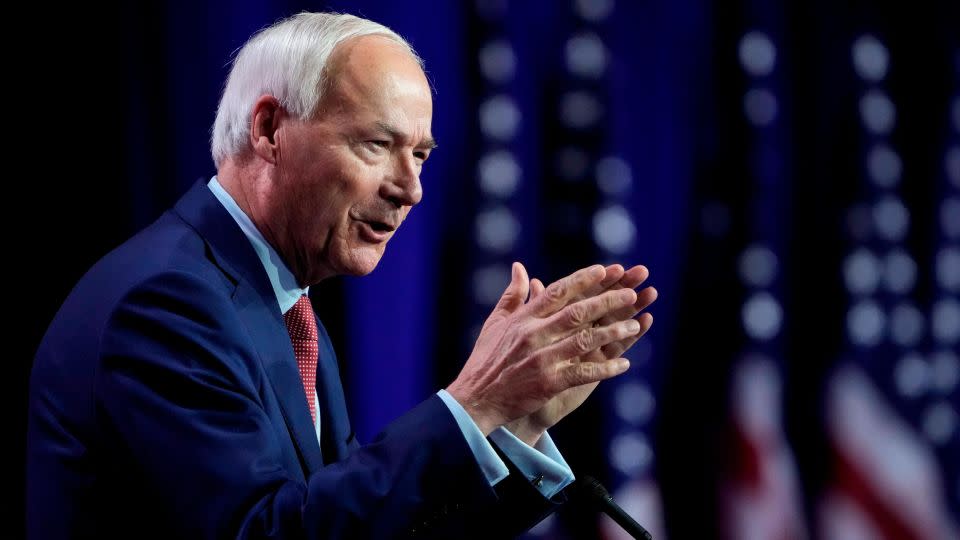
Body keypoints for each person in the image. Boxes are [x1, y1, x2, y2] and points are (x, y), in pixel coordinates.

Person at [26, 11, 657, 539]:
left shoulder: (284, 308)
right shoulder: (167, 303)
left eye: (421, 155)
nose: (410, 189)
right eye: (377, 145)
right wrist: (474, 401)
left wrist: (510, 422)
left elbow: (359, 527)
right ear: (270, 129)